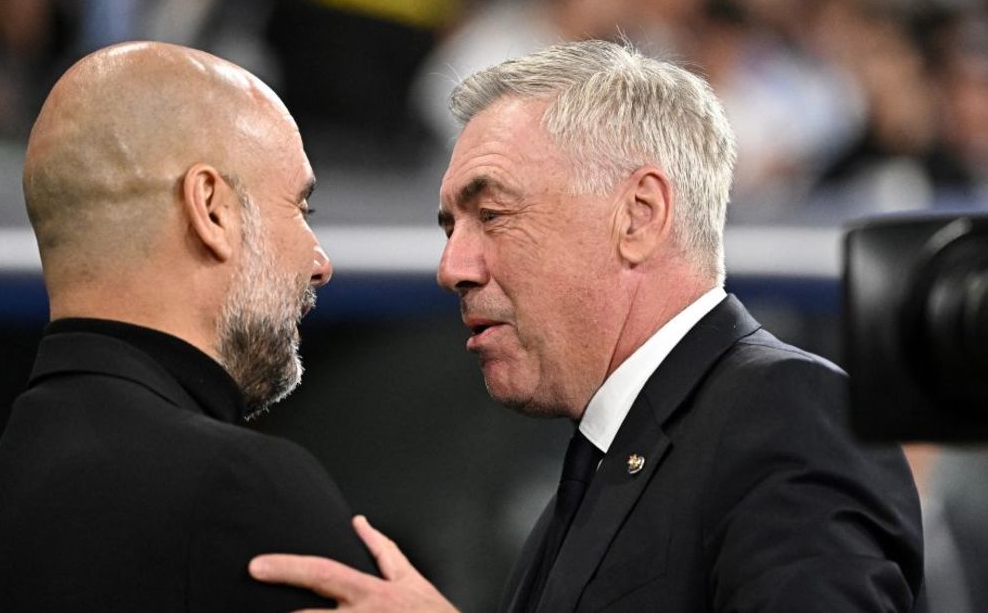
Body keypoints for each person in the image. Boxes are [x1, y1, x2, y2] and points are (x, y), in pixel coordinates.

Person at [249, 39, 925, 611]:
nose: (452, 266)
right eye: (449, 227)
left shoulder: (791, 418)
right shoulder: (607, 459)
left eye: (494, 215)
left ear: (638, 216)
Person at [0, 41, 377, 611]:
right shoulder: (238, 489)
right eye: (301, 208)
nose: (320, 263)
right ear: (211, 208)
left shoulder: (0, 495)